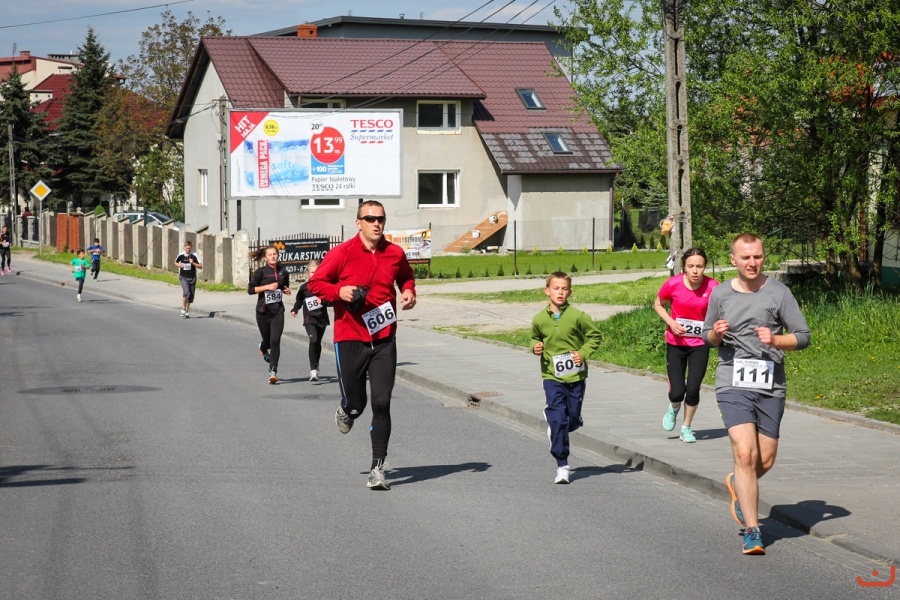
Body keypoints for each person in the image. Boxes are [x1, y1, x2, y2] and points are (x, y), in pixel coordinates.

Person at [703, 233, 810, 555]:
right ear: (733, 259)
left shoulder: (779, 293)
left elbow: (803, 336)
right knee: (745, 454)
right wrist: (716, 334)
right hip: (732, 380)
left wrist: (776, 341)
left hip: (770, 384)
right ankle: (753, 531)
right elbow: (708, 336)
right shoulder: (721, 293)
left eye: (758, 257)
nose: (752, 263)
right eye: (746, 257)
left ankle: (738, 482)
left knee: (765, 459)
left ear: (764, 257)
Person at [308, 200, 416, 490]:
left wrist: (408, 291)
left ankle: (377, 469)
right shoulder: (342, 253)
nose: (376, 223)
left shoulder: (394, 253)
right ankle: (347, 409)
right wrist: (338, 291)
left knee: (382, 402)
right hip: (350, 338)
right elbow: (315, 284)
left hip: (384, 338)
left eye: (380, 218)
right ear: (359, 223)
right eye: (370, 219)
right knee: (357, 404)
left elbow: (406, 276)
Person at [530, 272, 603, 484]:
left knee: (571, 420)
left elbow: (595, 336)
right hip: (551, 375)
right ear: (547, 291)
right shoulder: (539, 319)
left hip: (576, 376)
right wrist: (535, 347)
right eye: (556, 288)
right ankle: (562, 464)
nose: (560, 292)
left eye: (564, 289)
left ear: (570, 292)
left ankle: (563, 423)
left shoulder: (578, 316)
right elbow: (534, 338)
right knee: (558, 419)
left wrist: (583, 353)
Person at [653, 248, 719, 443]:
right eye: (691, 266)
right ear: (684, 267)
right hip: (676, 343)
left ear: (705, 267)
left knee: (693, 389)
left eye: (699, 266)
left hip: (700, 343)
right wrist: (671, 322)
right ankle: (674, 407)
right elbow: (658, 304)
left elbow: (722, 310)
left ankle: (686, 427)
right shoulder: (673, 284)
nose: (695, 271)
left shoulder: (713, 286)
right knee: (677, 392)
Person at [248, 245, 291, 384]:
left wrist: (286, 290)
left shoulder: (283, 271)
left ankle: (273, 372)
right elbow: (250, 290)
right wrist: (267, 287)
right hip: (263, 311)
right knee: (267, 341)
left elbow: (284, 286)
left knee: (275, 341)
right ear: (265, 257)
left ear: (278, 255)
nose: (273, 256)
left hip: (278, 311)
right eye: (270, 254)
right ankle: (262, 346)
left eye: (275, 254)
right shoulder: (261, 272)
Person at [291, 260, 330, 382]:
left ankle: (316, 364)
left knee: (317, 342)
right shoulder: (304, 288)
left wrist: (323, 301)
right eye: (312, 272)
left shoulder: (324, 286)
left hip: (321, 318)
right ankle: (313, 370)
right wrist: (295, 309)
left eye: (317, 272)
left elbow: (331, 300)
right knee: (313, 340)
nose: (315, 274)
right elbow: (299, 300)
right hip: (309, 319)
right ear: (308, 273)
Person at [175, 240, 203, 318]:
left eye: (189, 248)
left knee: (191, 295)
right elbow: (175, 262)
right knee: (186, 293)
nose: (188, 250)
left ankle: (186, 311)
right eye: (187, 248)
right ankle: (183, 309)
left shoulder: (194, 255)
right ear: (184, 247)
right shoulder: (181, 255)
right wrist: (179, 265)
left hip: (192, 277)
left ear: (191, 247)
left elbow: (201, 266)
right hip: (183, 277)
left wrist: (193, 263)